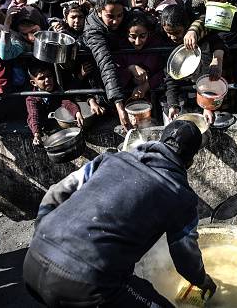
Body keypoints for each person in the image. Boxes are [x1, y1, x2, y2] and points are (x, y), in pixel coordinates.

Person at [23, 120, 217, 307]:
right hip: (87, 282)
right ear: (190, 161)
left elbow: (55, 192)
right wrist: (202, 280)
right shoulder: (181, 196)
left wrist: (43, 236)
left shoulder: (109, 159)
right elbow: (185, 256)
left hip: (32, 264)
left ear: (161, 141)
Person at [82, 0, 132, 130]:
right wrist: (119, 106)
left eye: (119, 15)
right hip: (100, 81)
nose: (116, 21)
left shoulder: (126, 16)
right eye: (110, 16)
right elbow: (106, 64)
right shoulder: (92, 30)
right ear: (98, 12)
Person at [26, 62, 83, 146]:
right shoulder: (32, 98)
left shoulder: (58, 88)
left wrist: (77, 113)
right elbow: (33, 114)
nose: (47, 80)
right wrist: (36, 134)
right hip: (46, 126)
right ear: (33, 83)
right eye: (42, 78)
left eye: (49, 76)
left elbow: (66, 102)